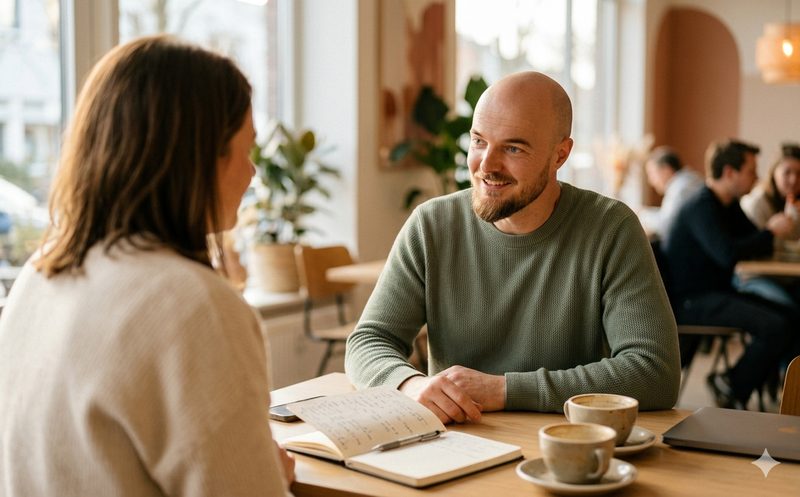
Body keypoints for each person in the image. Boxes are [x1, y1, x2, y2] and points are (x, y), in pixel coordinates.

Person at [0, 36, 294, 496]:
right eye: (247, 148)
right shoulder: (194, 305)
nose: (253, 171)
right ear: (200, 155)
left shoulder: (39, 277)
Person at [345, 71, 681, 423]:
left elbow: (653, 371)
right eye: (478, 142)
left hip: (564, 448)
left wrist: (504, 390)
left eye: (513, 148)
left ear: (560, 155)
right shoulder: (432, 225)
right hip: (455, 445)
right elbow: (369, 340)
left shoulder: (611, 229)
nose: (486, 166)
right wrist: (410, 385)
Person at [663, 139, 798, 409]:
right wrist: (770, 232)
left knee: (792, 315)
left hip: (718, 293)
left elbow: (751, 241)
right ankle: (733, 384)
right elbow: (728, 254)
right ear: (729, 173)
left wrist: (771, 232)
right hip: (691, 301)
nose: (757, 178)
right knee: (776, 325)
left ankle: (763, 388)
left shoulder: (727, 204)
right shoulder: (701, 206)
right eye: (751, 171)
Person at [737, 143, 800, 306]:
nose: (794, 180)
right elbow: (755, 249)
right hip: (755, 276)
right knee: (788, 306)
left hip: (785, 275)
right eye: (787, 173)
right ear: (774, 172)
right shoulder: (757, 203)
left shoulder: (792, 203)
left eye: (799, 174)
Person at [639, 146, 703, 240]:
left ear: (666, 170)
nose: (650, 181)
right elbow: (669, 214)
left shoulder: (679, 187)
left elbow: (666, 224)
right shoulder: (689, 179)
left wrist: (641, 214)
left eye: (652, 174)